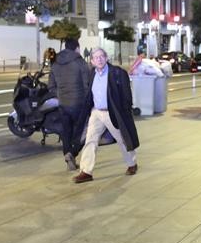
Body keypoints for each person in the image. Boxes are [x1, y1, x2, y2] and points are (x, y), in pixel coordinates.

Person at [73, 48, 139, 183]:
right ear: (92, 61)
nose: (99, 59)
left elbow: (127, 96)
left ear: (106, 58)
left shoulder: (117, 73)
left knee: (122, 139)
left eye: (101, 56)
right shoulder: (92, 74)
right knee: (90, 140)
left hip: (112, 113)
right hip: (96, 113)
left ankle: (132, 163)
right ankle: (86, 171)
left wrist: (124, 112)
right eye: (96, 57)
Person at [48, 38, 91, 171]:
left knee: (66, 132)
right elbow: (87, 84)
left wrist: (61, 94)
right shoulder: (80, 62)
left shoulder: (55, 62)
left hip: (63, 104)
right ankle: (72, 153)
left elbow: (51, 86)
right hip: (79, 103)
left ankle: (68, 157)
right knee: (84, 131)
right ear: (77, 48)